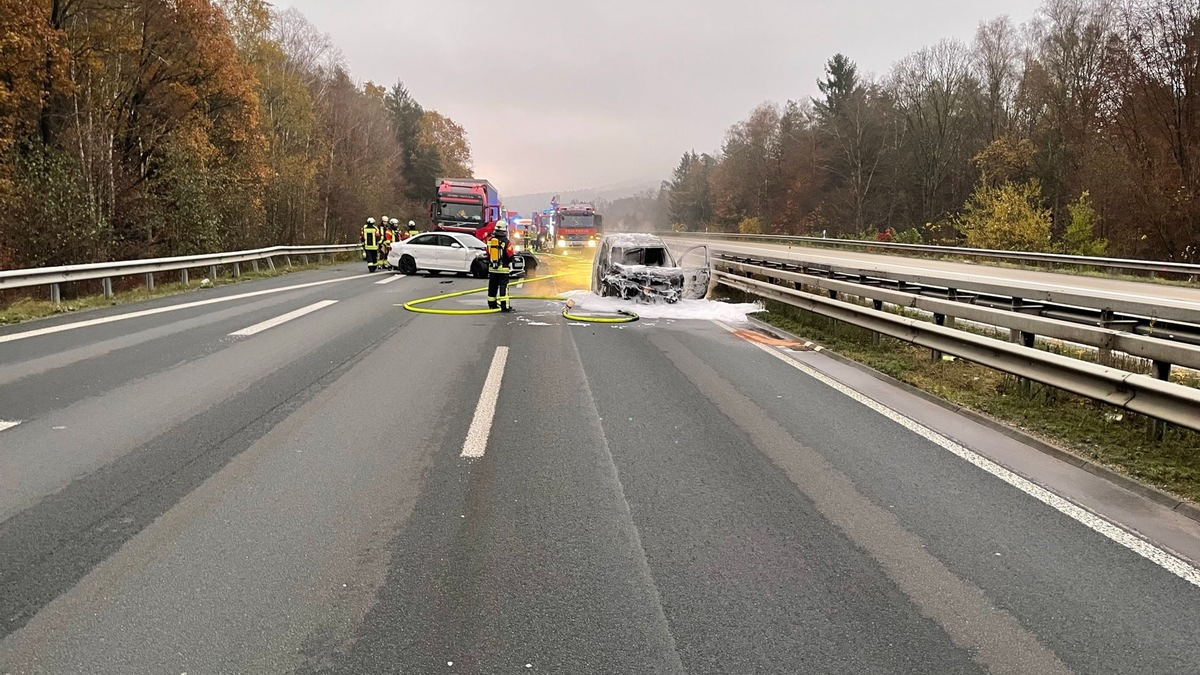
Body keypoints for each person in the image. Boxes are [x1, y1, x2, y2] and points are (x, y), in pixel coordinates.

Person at [486, 220, 515, 312]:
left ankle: (492, 305)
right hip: (503, 269)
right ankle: (504, 306)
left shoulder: (490, 241)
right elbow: (510, 254)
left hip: (492, 269)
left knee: (492, 287)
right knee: (503, 287)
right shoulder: (506, 242)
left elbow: (487, 253)